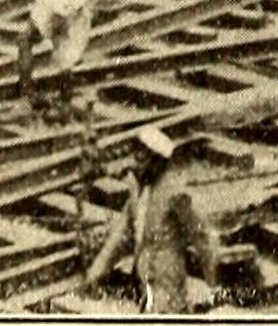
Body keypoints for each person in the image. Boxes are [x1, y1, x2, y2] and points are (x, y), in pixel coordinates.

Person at [82, 127, 223, 314]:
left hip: (168, 288)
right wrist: (95, 273)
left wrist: (212, 282)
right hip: (144, 284)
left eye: (141, 158)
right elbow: (120, 237)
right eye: (135, 155)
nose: (135, 163)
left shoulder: (174, 192)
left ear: (156, 161)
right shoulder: (138, 193)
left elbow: (204, 237)